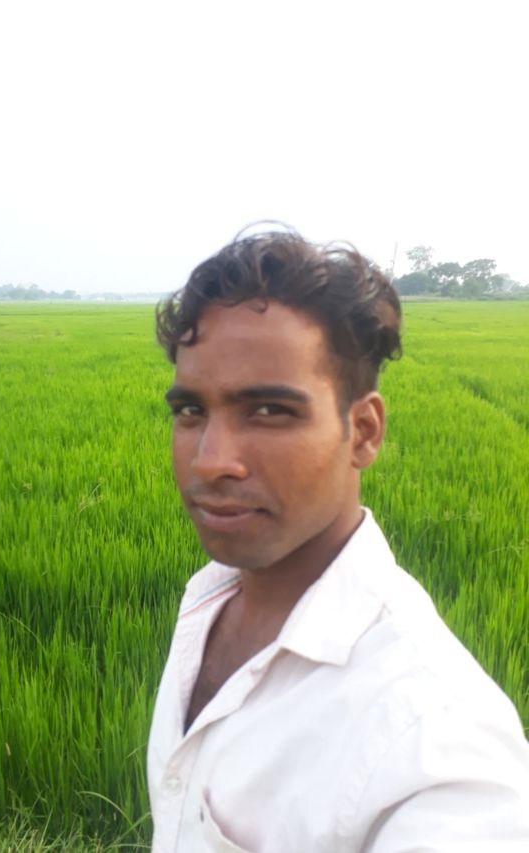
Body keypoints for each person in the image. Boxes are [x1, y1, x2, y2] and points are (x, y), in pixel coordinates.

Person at [147, 229, 529, 852]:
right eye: (191, 411)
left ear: (364, 432)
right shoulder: (207, 599)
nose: (210, 461)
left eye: (270, 411)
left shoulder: (436, 743)